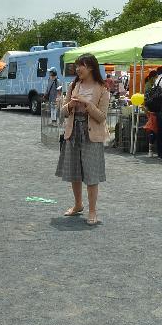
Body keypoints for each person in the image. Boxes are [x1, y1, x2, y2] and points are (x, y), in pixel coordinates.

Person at [56, 53, 110, 225]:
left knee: (91, 173)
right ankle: (78, 205)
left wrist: (87, 105)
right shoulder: (74, 85)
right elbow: (62, 112)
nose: (78, 68)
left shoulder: (102, 88)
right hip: (73, 132)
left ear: (91, 67)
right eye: (77, 65)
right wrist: (71, 104)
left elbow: (102, 117)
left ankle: (92, 211)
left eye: (82, 65)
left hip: (91, 134)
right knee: (74, 171)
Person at [144, 70, 159, 157]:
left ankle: (151, 150)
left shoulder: (151, 85)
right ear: (153, 78)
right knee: (152, 130)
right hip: (151, 110)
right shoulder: (149, 86)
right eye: (156, 77)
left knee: (153, 130)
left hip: (151, 110)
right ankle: (150, 150)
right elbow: (148, 99)